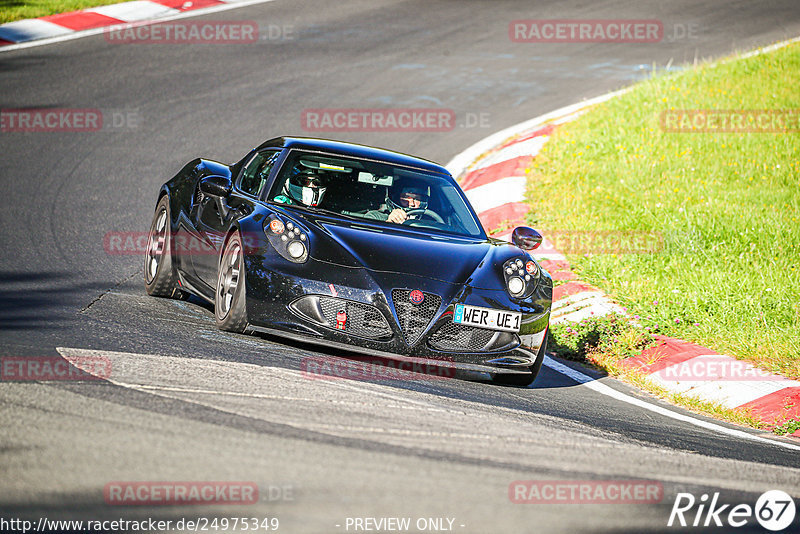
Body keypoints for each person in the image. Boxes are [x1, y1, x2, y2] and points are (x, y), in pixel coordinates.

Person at [364, 179, 430, 224]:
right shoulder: (375, 217)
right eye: (406, 197)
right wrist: (389, 223)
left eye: (417, 199)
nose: (411, 204)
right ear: (396, 198)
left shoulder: (429, 223)